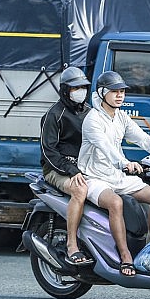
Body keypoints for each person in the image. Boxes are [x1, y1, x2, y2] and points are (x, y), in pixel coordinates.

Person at [78, 70, 150, 277]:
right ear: (101, 93)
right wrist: (125, 163)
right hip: (94, 177)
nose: (120, 95)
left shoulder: (121, 117)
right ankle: (125, 256)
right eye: (115, 91)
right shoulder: (93, 119)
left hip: (116, 176)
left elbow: (143, 139)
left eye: (122, 91)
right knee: (115, 203)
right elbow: (105, 147)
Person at [40, 66, 93, 266]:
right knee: (80, 191)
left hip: (86, 167)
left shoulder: (89, 113)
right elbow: (49, 151)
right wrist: (70, 170)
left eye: (84, 87)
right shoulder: (54, 115)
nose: (81, 91)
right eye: (75, 88)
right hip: (56, 170)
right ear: (65, 90)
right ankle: (72, 245)